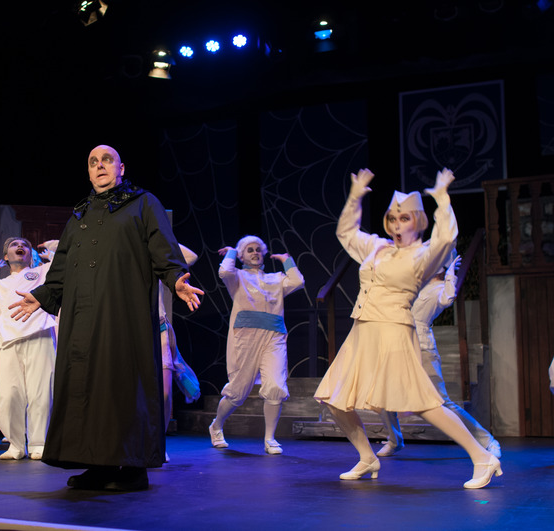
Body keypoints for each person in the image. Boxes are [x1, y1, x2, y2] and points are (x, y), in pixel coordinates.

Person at [9, 144, 203, 491]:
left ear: (121, 168)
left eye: (106, 160)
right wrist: (43, 295)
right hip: (82, 318)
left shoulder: (143, 203)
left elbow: (164, 249)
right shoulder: (79, 214)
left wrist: (176, 279)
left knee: (120, 384)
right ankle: (96, 464)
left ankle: (132, 468)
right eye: (93, 162)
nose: (99, 166)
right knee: (86, 385)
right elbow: (61, 265)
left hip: (122, 314)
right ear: (88, 172)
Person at [314, 168, 502, 489]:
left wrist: (442, 199)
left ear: (417, 221)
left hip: (394, 330)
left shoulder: (422, 255)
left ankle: (482, 456)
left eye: (404, 219)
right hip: (362, 331)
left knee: (422, 402)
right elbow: (346, 233)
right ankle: (367, 457)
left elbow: (446, 239)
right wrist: (355, 196)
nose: (397, 225)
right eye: (393, 219)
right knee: (333, 398)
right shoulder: (376, 247)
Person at [375, 253, 501, 458]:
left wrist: (451, 275)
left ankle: (487, 441)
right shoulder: (417, 286)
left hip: (422, 347)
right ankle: (394, 440)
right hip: (398, 345)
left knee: (442, 402)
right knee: (383, 395)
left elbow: (448, 298)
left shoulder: (440, 287)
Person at [209, 236, 305, 455]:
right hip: (245, 337)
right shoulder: (237, 277)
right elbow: (224, 272)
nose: (255, 253)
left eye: (258, 250)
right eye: (249, 250)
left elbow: (298, 282)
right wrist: (232, 252)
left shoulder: (276, 279)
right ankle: (216, 425)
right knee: (237, 391)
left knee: (276, 387)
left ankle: (270, 438)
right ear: (242, 256)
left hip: (274, 337)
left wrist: (287, 260)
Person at [0, 238, 56, 460]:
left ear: (30, 254)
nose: (20, 246)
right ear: (6, 256)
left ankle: (39, 443)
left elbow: (63, 270)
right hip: (8, 339)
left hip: (39, 333)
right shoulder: (0, 284)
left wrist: (52, 252)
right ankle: (16, 444)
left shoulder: (41, 272)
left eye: (25, 245)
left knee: (41, 391)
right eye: (15, 245)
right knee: (8, 395)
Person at [160, 244, 201, 462]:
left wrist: (158, 235)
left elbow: (190, 256)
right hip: (129, 331)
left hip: (158, 330)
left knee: (165, 393)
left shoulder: (155, 259)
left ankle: (159, 441)